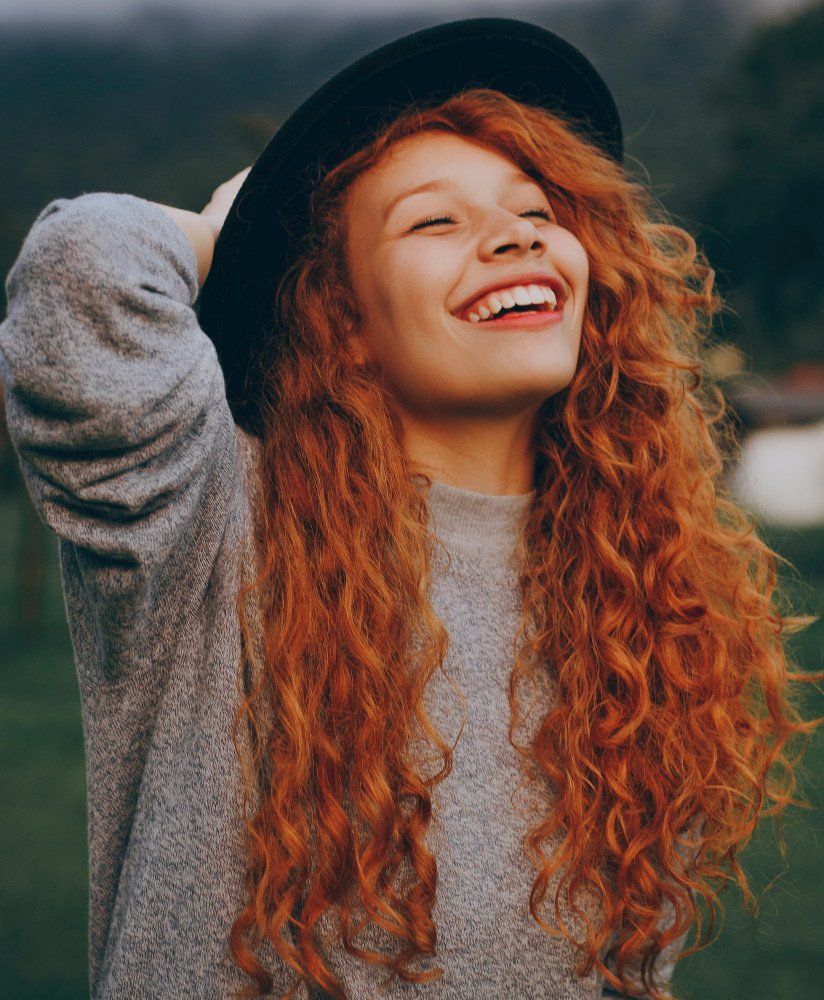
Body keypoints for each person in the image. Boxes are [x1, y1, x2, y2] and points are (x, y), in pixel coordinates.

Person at [0, 17, 820, 1000]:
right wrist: (232, 228)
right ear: (338, 320)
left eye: (536, 211)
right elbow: (80, 273)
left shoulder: (644, 604)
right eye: (435, 222)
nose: (514, 233)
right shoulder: (214, 524)